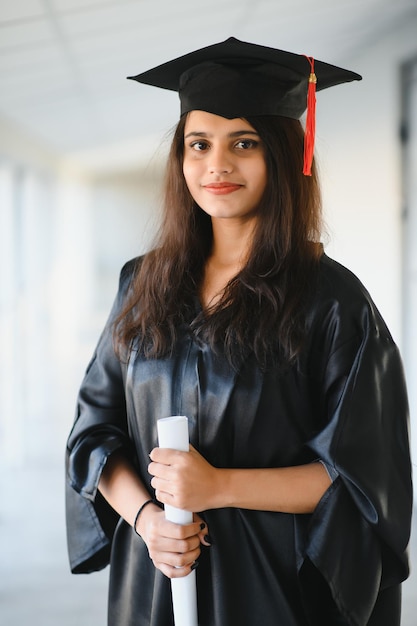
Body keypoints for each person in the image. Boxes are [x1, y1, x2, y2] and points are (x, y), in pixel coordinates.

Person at [65, 37, 413, 626]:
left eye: (244, 144)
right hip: (157, 573)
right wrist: (150, 521)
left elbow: (359, 473)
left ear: (284, 155)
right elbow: (94, 434)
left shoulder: (332, 301)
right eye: (198, 145)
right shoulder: (141, 284)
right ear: (180, 159)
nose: (216, 166)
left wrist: (218, 486)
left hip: (272, 584)